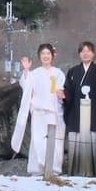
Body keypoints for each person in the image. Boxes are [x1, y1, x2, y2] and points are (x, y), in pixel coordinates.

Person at [60, 40, 96, 176]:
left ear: (93, 54)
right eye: (83, 51)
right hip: (77, 113)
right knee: (78, 139)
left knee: (94, 137)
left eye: (88, 51)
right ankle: (77, 171)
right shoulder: (73, 72)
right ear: (79, 54)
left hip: (94, 111)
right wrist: (63, 95)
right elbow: (68, 91)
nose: (85, 54)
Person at [11, 43, 65, 175]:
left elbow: (61, 90)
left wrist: (61, 94)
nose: (46, 56)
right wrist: (26, 71)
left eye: (48, 54)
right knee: (38, 140)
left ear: (52, 56)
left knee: (53, 140)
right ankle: (37, 169)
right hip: (38, 113)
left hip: (53, 112)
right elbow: (25, 85)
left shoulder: (58, 73)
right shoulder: (34, 74)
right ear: (39, 56)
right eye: (43, 54)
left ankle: (53, 168)